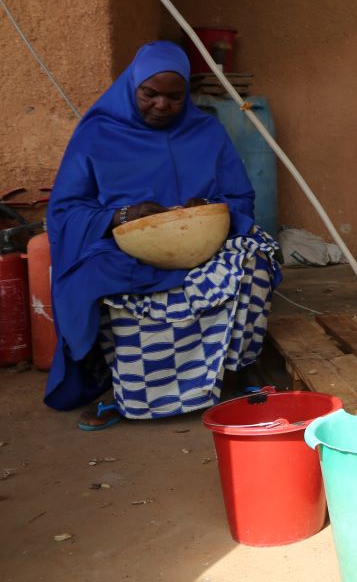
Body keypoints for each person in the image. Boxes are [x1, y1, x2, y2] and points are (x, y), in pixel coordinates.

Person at [45, 41, 281, 429]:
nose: (162, 105)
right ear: (132, 87)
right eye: (150, 94)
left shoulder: (205, 130)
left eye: (175, 96)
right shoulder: (98, 134)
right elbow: (65, 212)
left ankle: (237, 373)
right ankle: (124, 393)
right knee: (90, 277)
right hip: (123, 249)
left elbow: (239, 197)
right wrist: (123, 214)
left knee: (255, 258)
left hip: (202, 245)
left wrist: (205, 206)